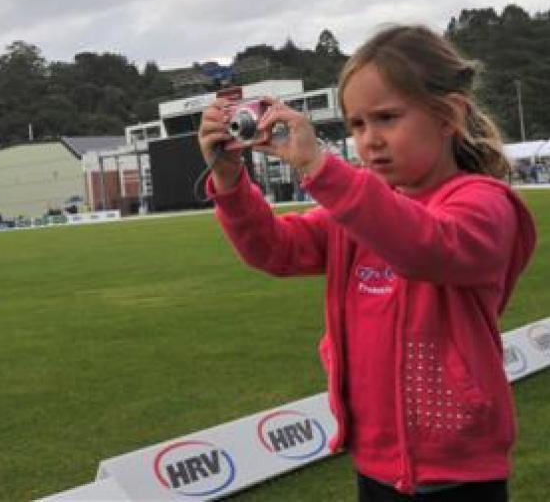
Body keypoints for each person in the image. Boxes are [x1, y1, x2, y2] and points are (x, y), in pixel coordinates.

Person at [198, 25, 535, 501]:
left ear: (448, 116)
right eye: (357, 125)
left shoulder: (483, 203)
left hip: (459, 471)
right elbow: (273, 249)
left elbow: (423, 245)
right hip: (375, 462)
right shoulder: (357, 212)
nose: (369, 140)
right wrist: (230, 181)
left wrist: (320, 169)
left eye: (386, 118)